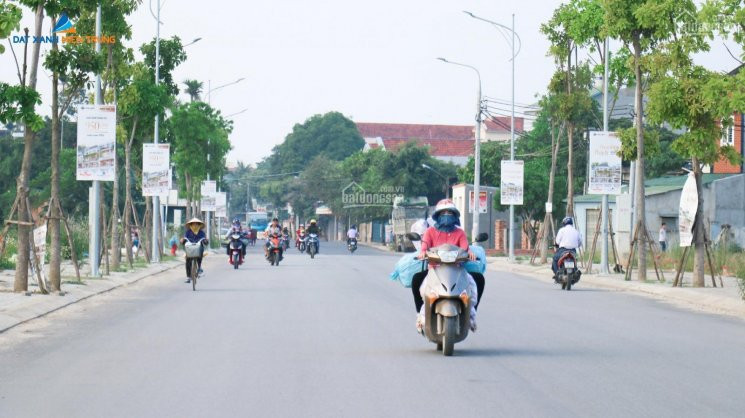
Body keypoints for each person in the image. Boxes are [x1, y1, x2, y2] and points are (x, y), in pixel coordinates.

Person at [414, 199, 478, 333]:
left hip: (457, 270)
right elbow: (424, 246)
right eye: (443, 212)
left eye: (450, 212)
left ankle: (471, 317)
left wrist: (469, 253)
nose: (447, 215)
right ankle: (421, 317)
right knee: (424, 289)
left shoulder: (459, 233)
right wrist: (422, 253)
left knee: (472, 288)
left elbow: (465, 248)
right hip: (435, 270)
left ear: (455, 215)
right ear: (438, 215)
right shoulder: (430, 232)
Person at [181, 218, 208, 283]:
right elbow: (184, 239)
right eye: (193, 224)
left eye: (196, 224)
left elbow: (204, 240)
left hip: (198, 248)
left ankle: (199, 268)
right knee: (187, 261)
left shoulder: (201, 233)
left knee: (200, 252)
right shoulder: (188, 232)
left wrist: (206, 241)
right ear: (190, 225)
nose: (195, 225)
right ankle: (188, 277)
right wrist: (182, 240)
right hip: (190, 249)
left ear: (199, 225)